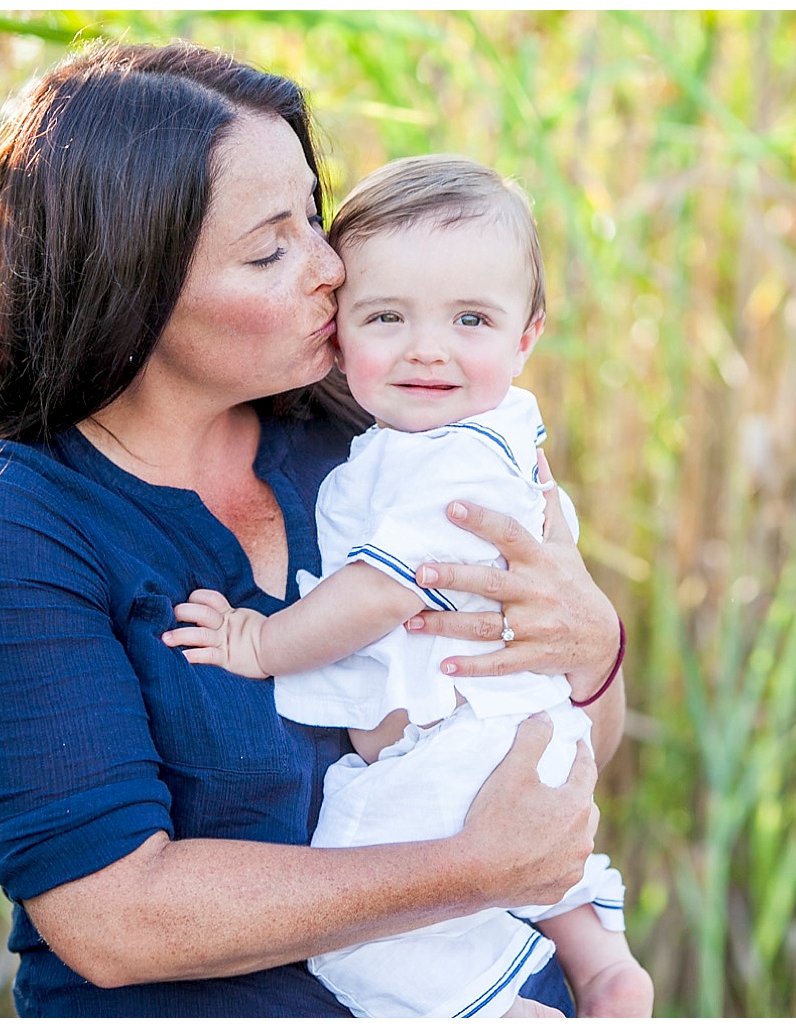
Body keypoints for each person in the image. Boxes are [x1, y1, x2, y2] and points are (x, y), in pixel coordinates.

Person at [0, 41, 627, 1017]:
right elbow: (112, 919)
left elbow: (556, 744)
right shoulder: (2, 525)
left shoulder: (380, 433)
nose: (331, 267)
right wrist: (470, 865)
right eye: (269, 246)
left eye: (315, 219)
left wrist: (594, 647)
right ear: (131, 287)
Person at [164, 155, 653, 1018]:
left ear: (527, 336)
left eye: (471, 318)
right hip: (506, 733)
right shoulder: (464, 437)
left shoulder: (455, 463)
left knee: (367, 950)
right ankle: (605, 969)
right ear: (337, 329)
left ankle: (515, 1011)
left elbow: (385, 590)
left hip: (459, 740)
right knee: (533, 871)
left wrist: (260, 642)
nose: (428, 348)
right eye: (387, 316)